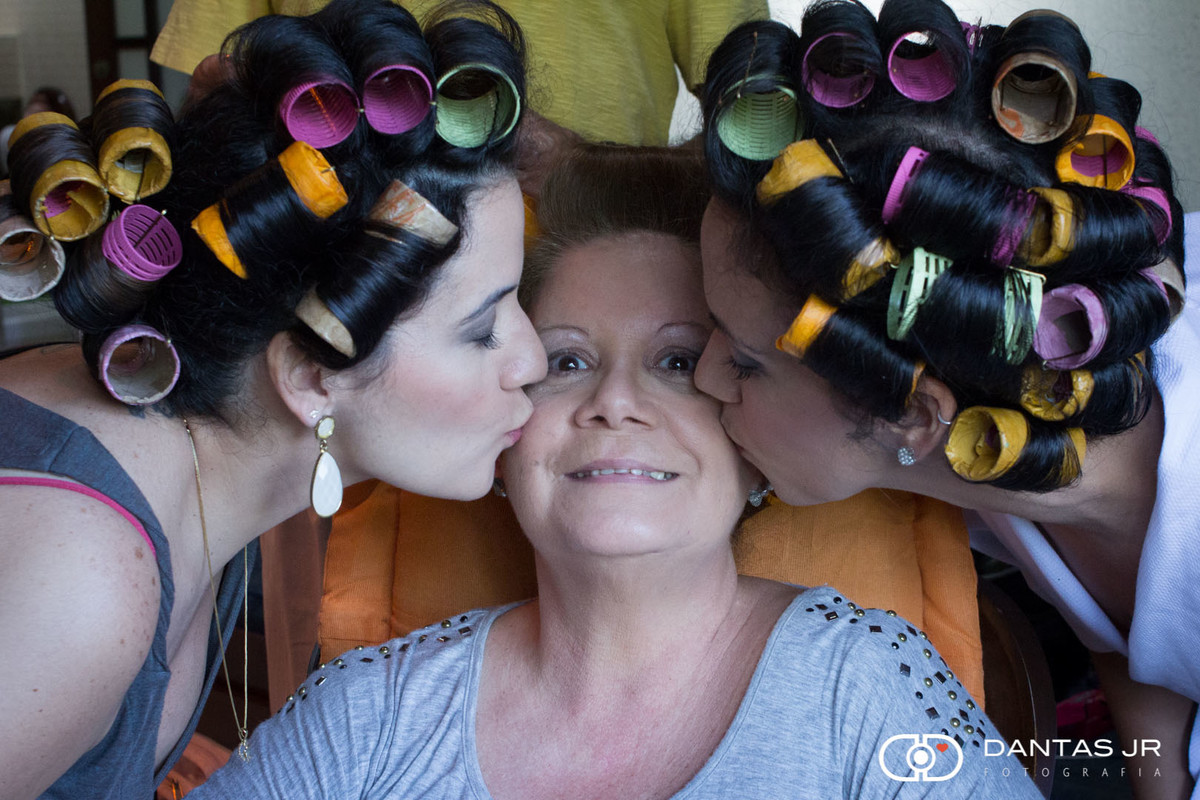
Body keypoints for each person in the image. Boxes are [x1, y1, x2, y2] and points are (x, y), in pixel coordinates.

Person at [188, 144, 1038, 799]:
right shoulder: (369, 715)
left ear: (755, 439)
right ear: (503, 434)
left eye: (677, 362)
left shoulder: (867, 686)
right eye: (564, 363)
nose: (615, 403)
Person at [0, 0, 545, 796]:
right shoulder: (83, 583)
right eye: (482, 328)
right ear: (309, 376)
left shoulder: (196, 447)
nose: (532, 358)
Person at [692, 1, 1196, 797]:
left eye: (746, 362)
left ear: (917, 416)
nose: (703, 379)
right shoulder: (1022, 423)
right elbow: (1143, 643)